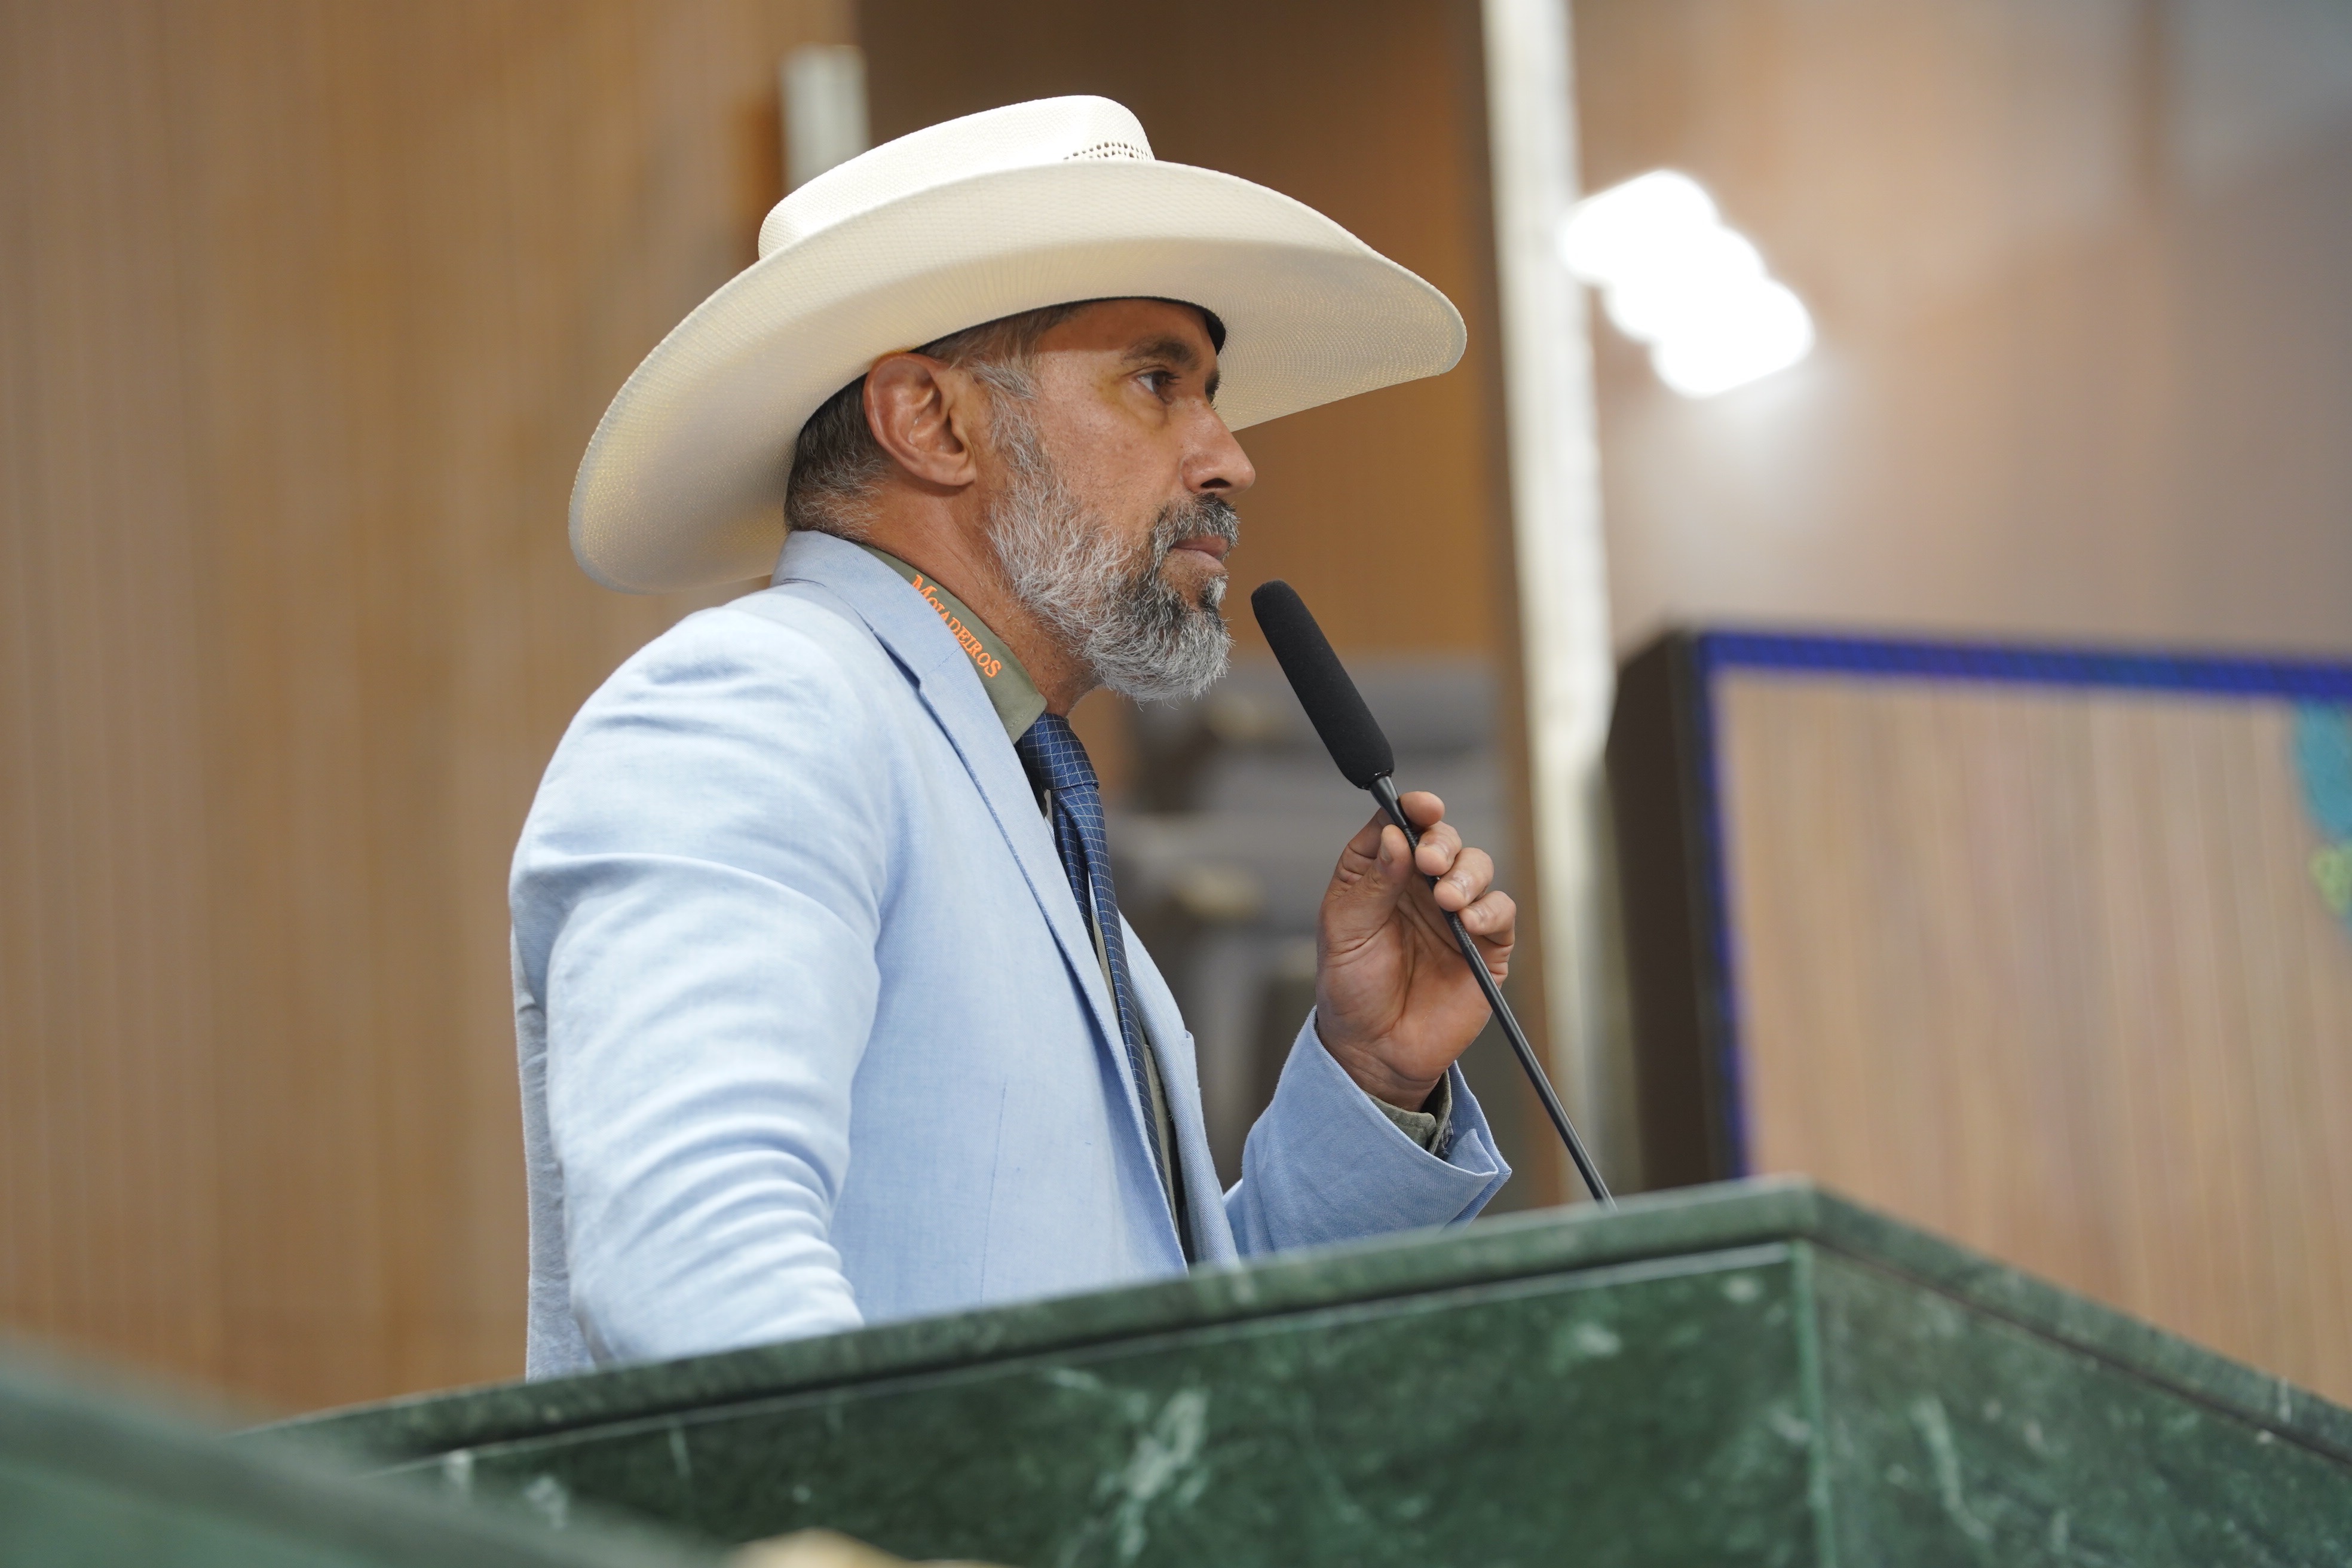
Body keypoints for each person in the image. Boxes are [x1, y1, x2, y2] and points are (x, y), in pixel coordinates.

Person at [514, 96, 1515, 1377]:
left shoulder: (1017, 797)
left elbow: (1173, 1368)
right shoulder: (759, 703)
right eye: (1158, 383)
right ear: (932, 424)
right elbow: (696, 1268)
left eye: (1209, 395)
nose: (1231, 458)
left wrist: (1372, 1075)